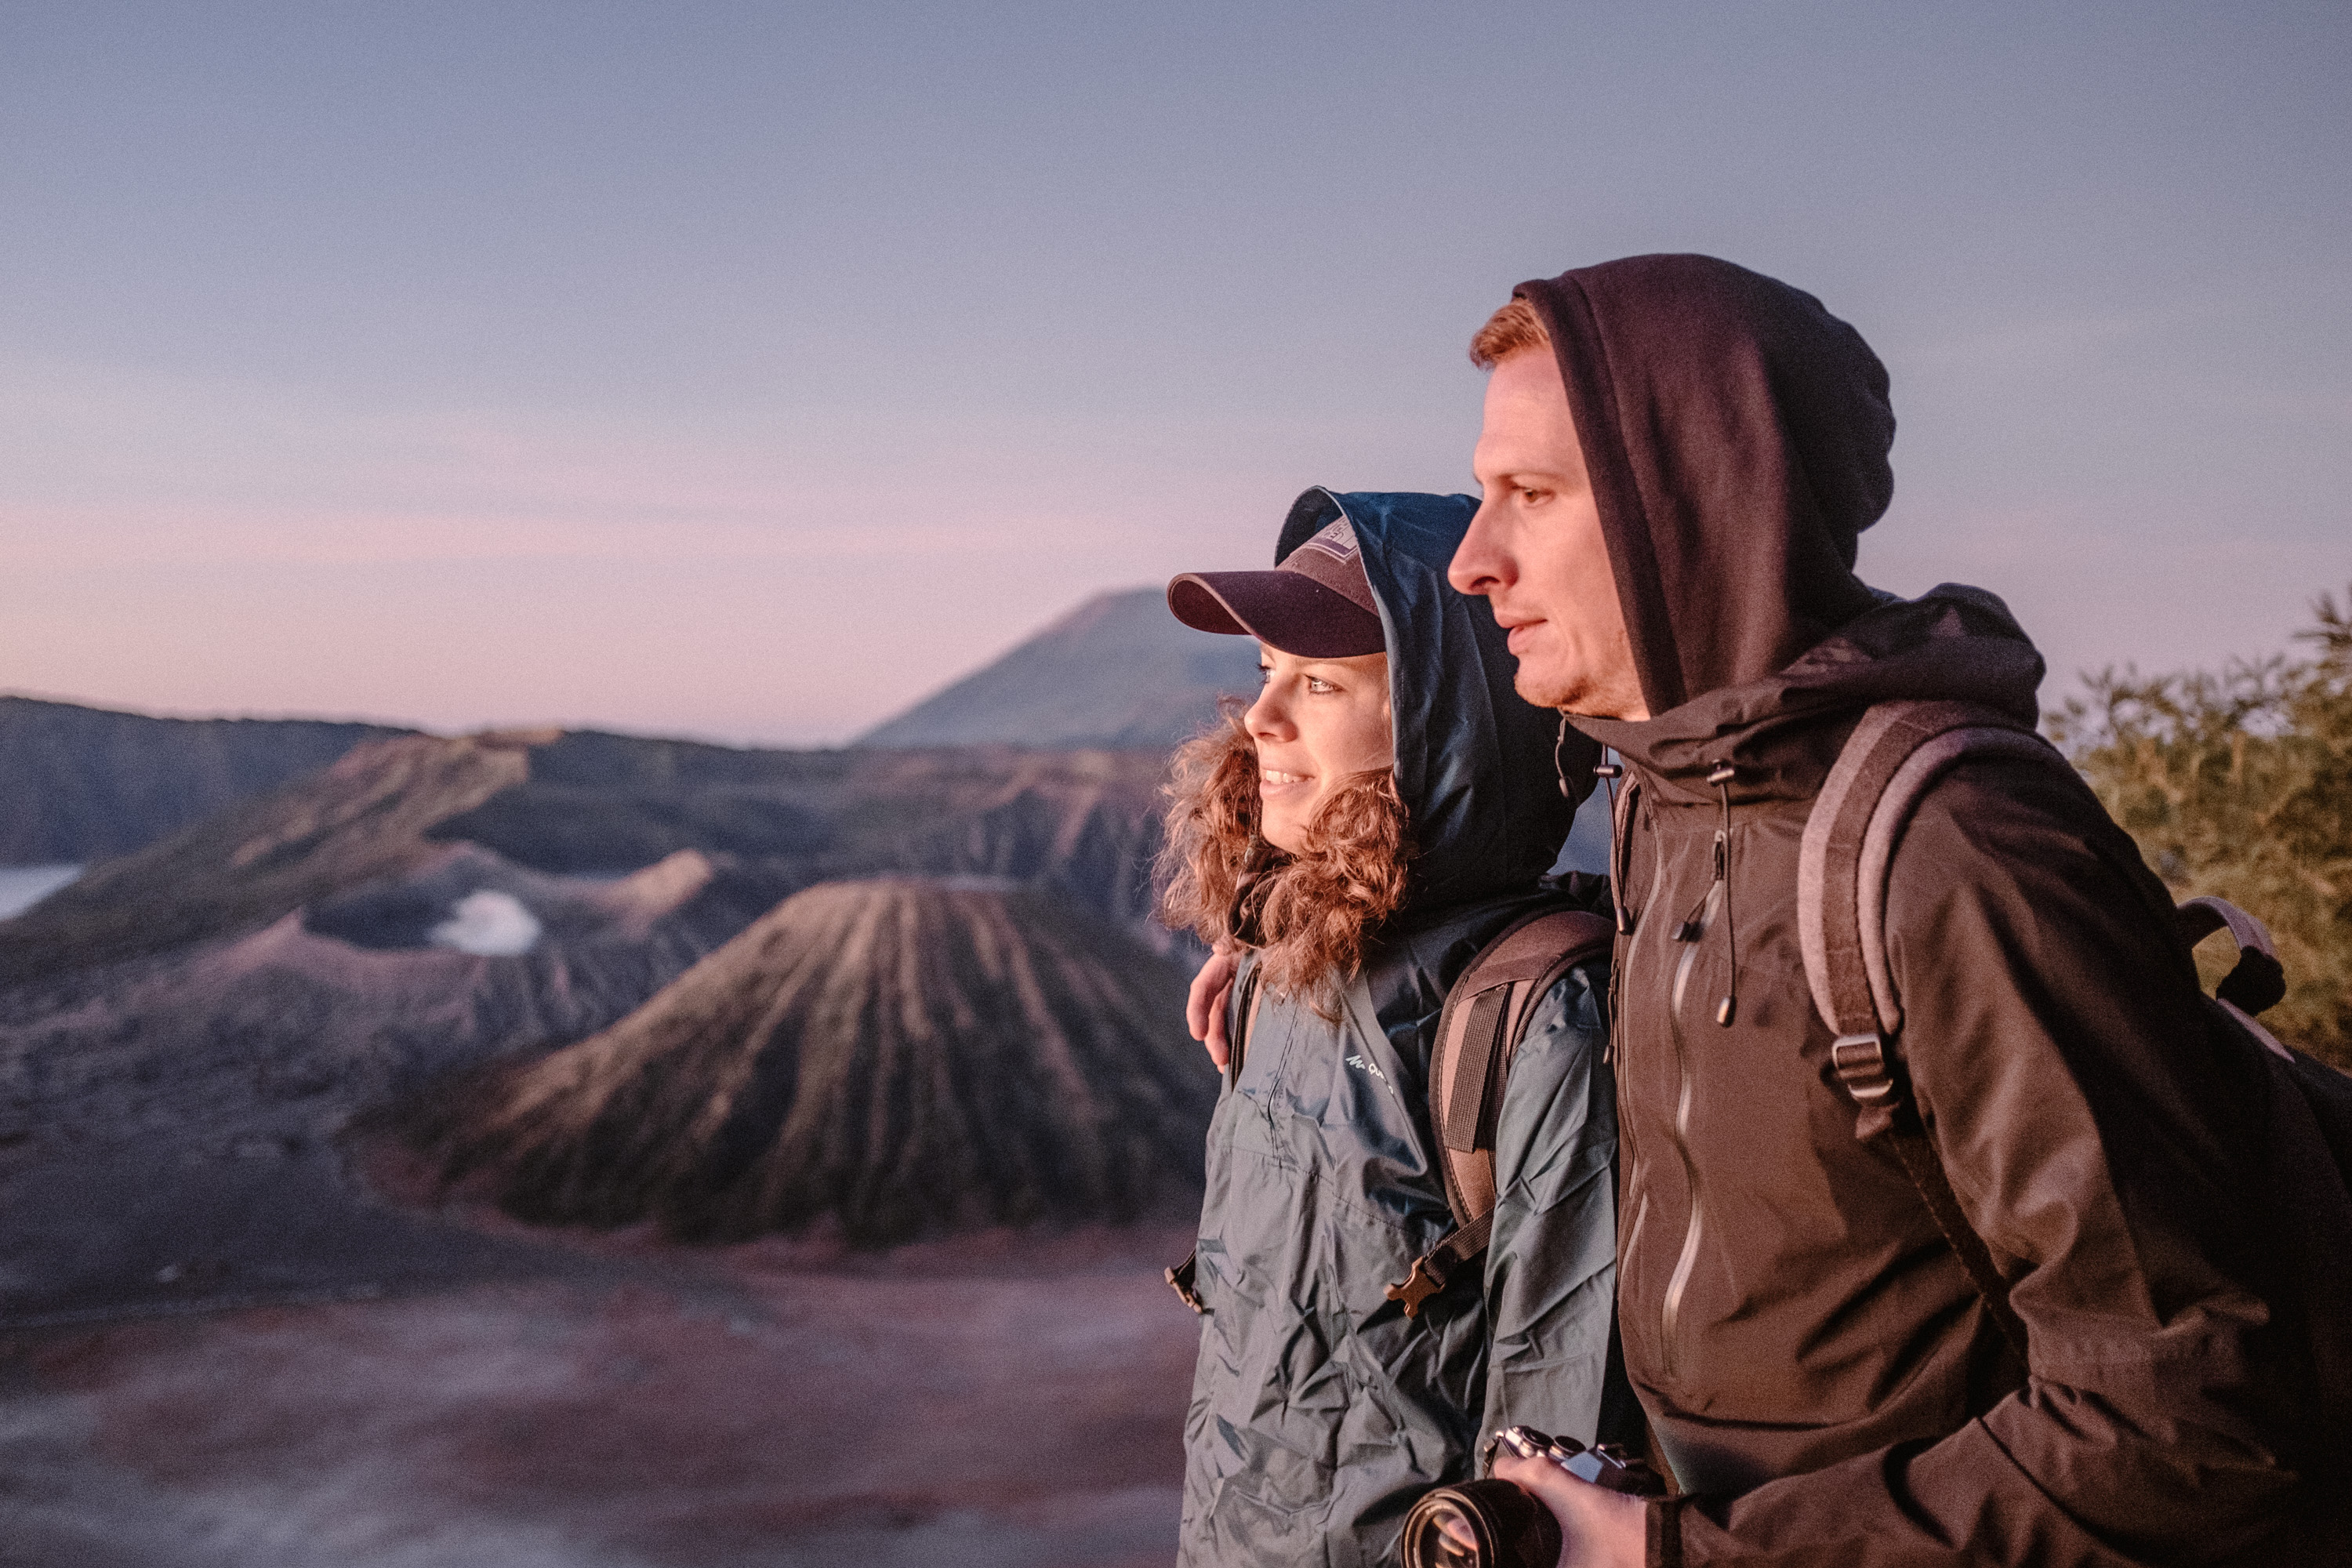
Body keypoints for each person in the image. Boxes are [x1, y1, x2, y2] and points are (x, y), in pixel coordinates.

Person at [1442, 254, 2333, 1565]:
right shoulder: (1669, 801)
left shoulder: (1955, 852)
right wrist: (1304, 943)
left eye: (1534, 494)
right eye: (1482, 496)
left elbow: (2187, 1424)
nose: (1475, 560)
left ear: (1695, 505)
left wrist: (1674, 1558)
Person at [1160, 487, 1628, 1567]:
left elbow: (1548, 1475)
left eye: (1319, 683)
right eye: (1269, 673)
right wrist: (1257, 941)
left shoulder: (1541, 1014)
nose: (1261, 720)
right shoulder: (1287, 966)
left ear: (1448, 724)